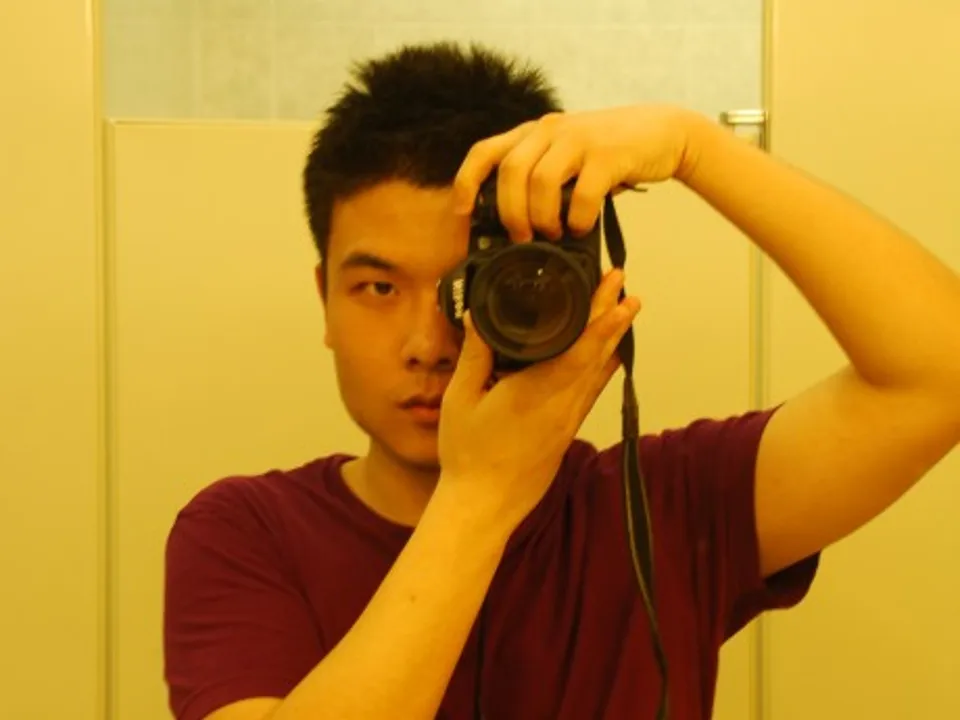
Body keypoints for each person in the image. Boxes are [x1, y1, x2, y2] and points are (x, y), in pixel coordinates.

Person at [162, 42, 960, 720]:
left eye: (469, 288)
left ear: (550, 289)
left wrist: (694, 148)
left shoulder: (660, 508)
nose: (425, 343)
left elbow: (941, 373)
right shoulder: (244, 535)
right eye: (377, 287)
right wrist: (480, 496)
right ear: (325, 301)